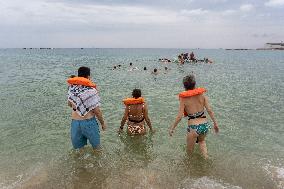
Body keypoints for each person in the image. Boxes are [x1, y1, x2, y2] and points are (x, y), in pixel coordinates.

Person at [169, 74, 219, 159]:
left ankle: (191, 171)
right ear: (194, 84)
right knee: (202, 142)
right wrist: (215, 124)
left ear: (184, 86)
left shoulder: (183, 98)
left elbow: (179, 116)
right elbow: (209, 110)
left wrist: (172, 128)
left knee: (189, 154)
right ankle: (206, 161)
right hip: (205, 125)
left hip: (193, 127)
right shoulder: (202, 95)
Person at [67, 66, 107, 151]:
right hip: (89, 122)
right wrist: (102, 123)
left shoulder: (72, 89)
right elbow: (97, 111)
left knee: (79, 150)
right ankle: (97, 164)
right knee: (97, 149)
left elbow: (70, 104)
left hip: (75, 123)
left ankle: (81, 164)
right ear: (88, 77)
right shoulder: (91, 91)